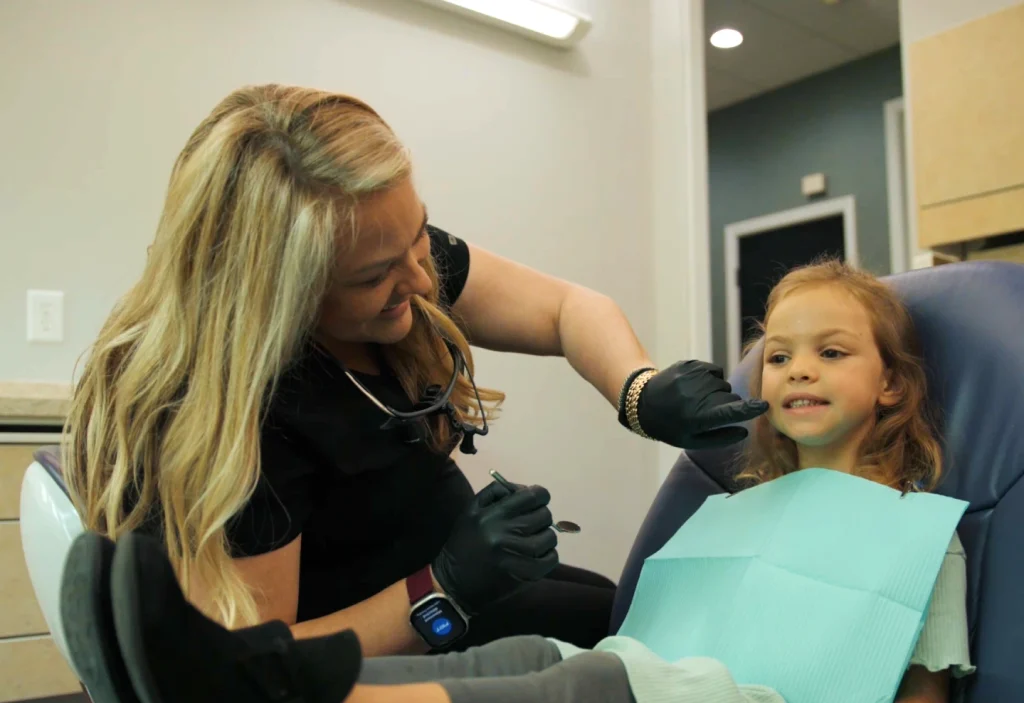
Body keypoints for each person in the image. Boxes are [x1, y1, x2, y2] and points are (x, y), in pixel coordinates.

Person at [63, 260, 972, 703]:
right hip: (672, 682)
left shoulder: (913, 530)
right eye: (778, 355)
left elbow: (924, 697)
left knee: (582, 689)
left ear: (892, 386)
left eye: (831, 353)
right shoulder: (741, 505)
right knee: (526, 655)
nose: (798, 368)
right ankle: (246, 681)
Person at [62, 82, 766, 660]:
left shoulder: (396, 254)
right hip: (367, 672)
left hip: (465, 598)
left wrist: (638, 389)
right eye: (375, 276)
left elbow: (564, 310)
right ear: (279, 293)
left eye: (419, 235)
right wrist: (442, 591)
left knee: (631, 613)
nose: (424, 281)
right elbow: (248, 666)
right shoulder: (238, 418)